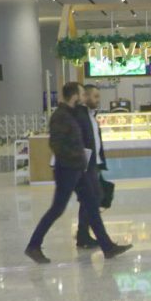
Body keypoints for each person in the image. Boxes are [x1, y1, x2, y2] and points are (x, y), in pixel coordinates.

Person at [25, 82, 132, 264]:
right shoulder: (61, 116)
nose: (84, 98)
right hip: (67, 170)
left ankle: (107, 247)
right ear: (74, 96)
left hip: (78, 169)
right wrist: (76, 156)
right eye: (82, 94)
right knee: (57, 209)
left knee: (92, 205)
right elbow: (56, 144)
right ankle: (33, 245)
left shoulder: (71, 114)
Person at [74, 84, 109, 248]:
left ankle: (83, 235)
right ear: (85, 97)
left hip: (94, 163)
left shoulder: (91, 116)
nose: (98, 100)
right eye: (95, 96)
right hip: (86, 165)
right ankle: (91, 238)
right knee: (93, 198)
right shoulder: (81, 116)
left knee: (92, 199)